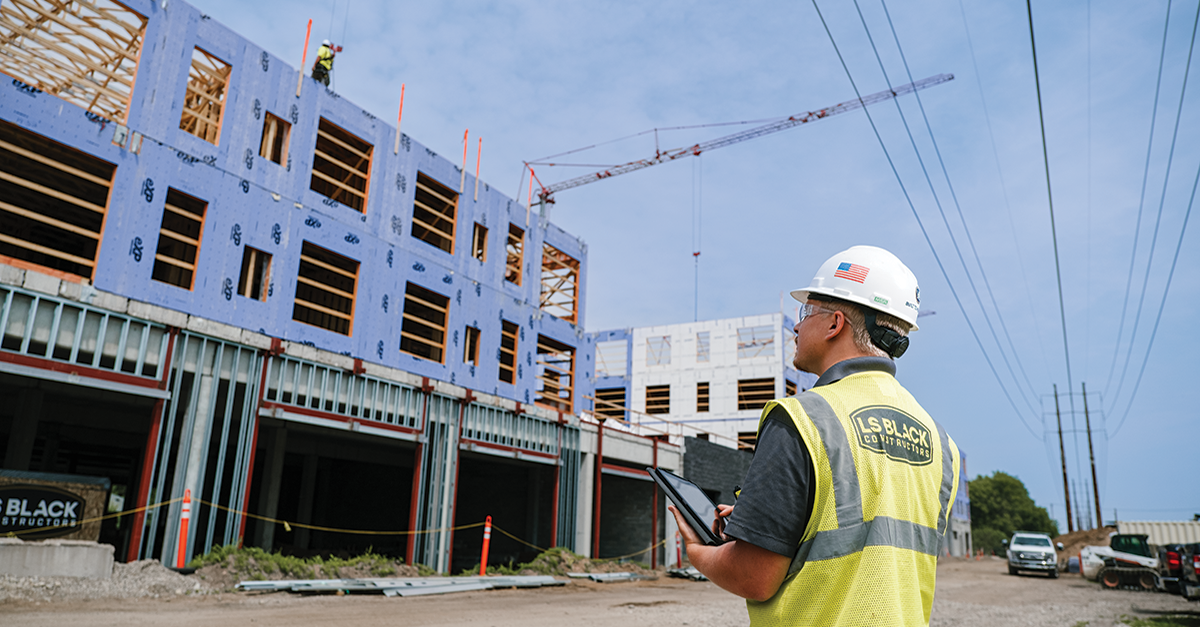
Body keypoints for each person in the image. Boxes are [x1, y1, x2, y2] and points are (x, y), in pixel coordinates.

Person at [670, 245, 960, 627]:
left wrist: (697, 551)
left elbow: (754, 576)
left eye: (806, 311)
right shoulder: (940, 443)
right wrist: (762, 522)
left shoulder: (803, 418)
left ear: (834, 323)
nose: (796, 325)